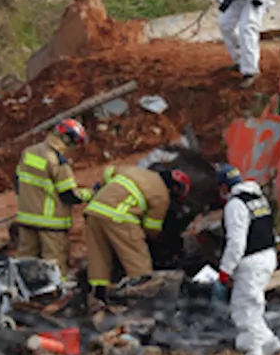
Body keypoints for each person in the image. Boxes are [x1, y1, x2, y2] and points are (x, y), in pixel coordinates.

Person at [84, 164, 190, 299]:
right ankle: (140, 301)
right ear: (175, 189)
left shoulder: (135, 171)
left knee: (99, 260)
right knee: (139, 264)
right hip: (120, 217)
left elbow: (109, 170)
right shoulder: (162, 195)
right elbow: (152, 229)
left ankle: (97, 298)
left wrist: (102, 186)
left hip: (94, 210)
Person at [216, 165, 280, 355]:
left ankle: (254, 354)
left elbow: (236, 242)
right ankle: (270, 343)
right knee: (254, 304)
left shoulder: (236, 205)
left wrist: (225, 269)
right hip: (268, 256)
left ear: (223, 187)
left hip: (251, 261)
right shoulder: (258, 198)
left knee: (243, 307)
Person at [13, 118, 92, 277]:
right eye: (76, 143)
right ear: (68, 140)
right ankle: (57, 297)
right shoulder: (58, 161)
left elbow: (17, 183)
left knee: (25, 263)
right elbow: (69, 195)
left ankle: (23, 296)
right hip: (51, 225)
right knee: (53, 267)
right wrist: (91, 193)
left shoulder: (28, 152)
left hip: (27, 220)